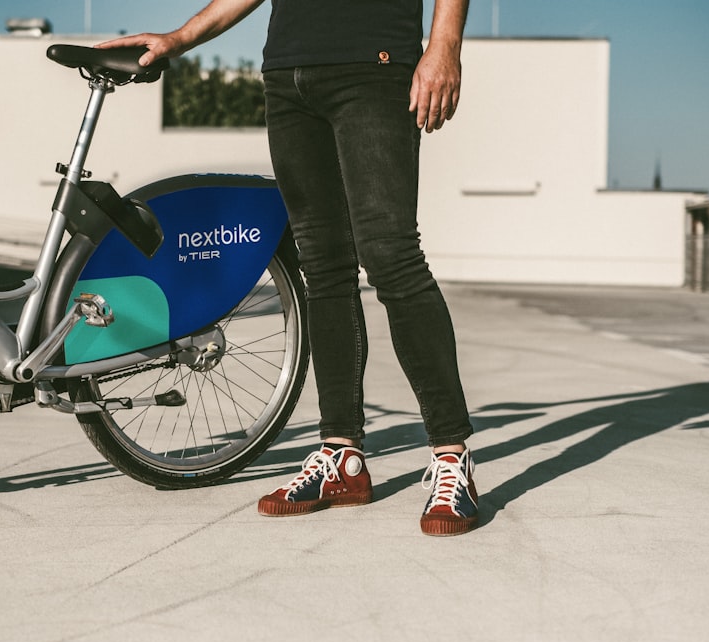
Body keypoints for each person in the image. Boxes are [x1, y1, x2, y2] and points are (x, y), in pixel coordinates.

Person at [100, 0, 477, 536]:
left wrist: (444, 47)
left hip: (374, 65)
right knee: (322, 268)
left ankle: (449, 458)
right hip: (288, 74)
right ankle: (341, 458)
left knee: (391, 256)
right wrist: (181, 38)